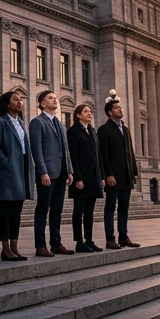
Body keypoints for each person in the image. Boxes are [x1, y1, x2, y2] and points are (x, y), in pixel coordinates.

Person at [0, 90, 33, 261]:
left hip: (21, 170)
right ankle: (5, 248)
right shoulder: (0, 122)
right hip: (8, 171)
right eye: (15, 99)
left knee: (16, 212)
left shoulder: (21, 123)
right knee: (5, 211)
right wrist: (6, 163)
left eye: (21, 99)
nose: (20, 102)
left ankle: (15, 247)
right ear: (7, 104)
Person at [29, 90, 74, 257]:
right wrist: (43, 171)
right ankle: (40, 245)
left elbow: (66, 149)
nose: (55, 99)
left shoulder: (60, 123)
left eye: (55, 98)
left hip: (61, 173)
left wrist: (69, 169)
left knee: (57, 210)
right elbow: (37, 149)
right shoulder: (37, 122)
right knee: (43, 209)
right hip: (47, 174)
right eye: (50, 98)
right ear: (42, 103)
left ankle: (56, 243)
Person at [98, 94, 140, 249]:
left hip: (126, 176)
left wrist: (134, 171)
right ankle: (110, 239)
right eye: (116, 108)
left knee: (124, 208)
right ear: (109, 112)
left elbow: (131, 152)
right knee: (110, 208)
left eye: (119, 107)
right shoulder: (104, 130)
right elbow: (104, 154)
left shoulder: (126, 129)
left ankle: (124, 236)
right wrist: (108, 174)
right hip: (113, 177)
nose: (119, 109)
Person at [67, 103, 104, 253]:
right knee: (79, 210)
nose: (89, 113)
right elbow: (73, 157)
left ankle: (89, 240)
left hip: (94, 177)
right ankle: (79, 241)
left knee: (90, 211)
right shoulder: (73, 132)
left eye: (90, 111)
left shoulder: (93, 131)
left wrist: (101, 175)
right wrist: (77, 178)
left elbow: (98, 155)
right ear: (78, 115)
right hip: (81, 178)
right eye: (86, 111)